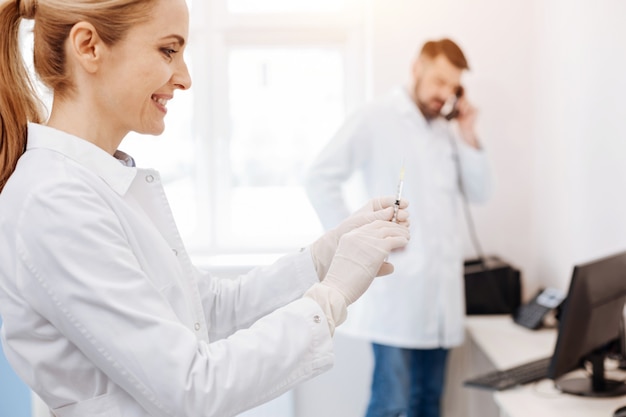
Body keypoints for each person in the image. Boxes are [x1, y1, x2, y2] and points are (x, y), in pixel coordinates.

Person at [0, 1, 411, 416]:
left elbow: (209, 311)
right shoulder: (54, 200)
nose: (185, 78)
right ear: (88, 46)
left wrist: (325, 257)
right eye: (168, 50)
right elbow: (192, 388)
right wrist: (332, 295)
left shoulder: (98, 184)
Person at [304, 38, 492, 417]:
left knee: (428, 405)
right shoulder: (376, 117)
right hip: (399, 297)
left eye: (452, 87)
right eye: (438, 81)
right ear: (417, 68)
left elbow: (480, 191)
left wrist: (468, 132)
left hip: (441, 298)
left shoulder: (446, 132)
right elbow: (319, 177)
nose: (444, 94)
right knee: (391, 404)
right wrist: (357, 239)